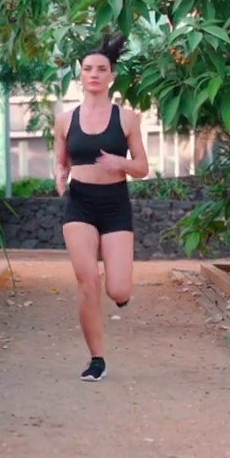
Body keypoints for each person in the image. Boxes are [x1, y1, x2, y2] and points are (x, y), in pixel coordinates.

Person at [52, 34, 150, 382]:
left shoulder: (127, 119)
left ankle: (121, 295)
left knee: (117, 289)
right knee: (88, 281)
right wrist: (60, 176)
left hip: (114, 205)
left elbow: (142, 167)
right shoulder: (65, 120)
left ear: (111, 76)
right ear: (81, 75)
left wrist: (119, 164)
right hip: (79, 203)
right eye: (88, 68)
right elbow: (61, 160)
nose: (94, 74)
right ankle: (97, 359)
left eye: (101, 69)